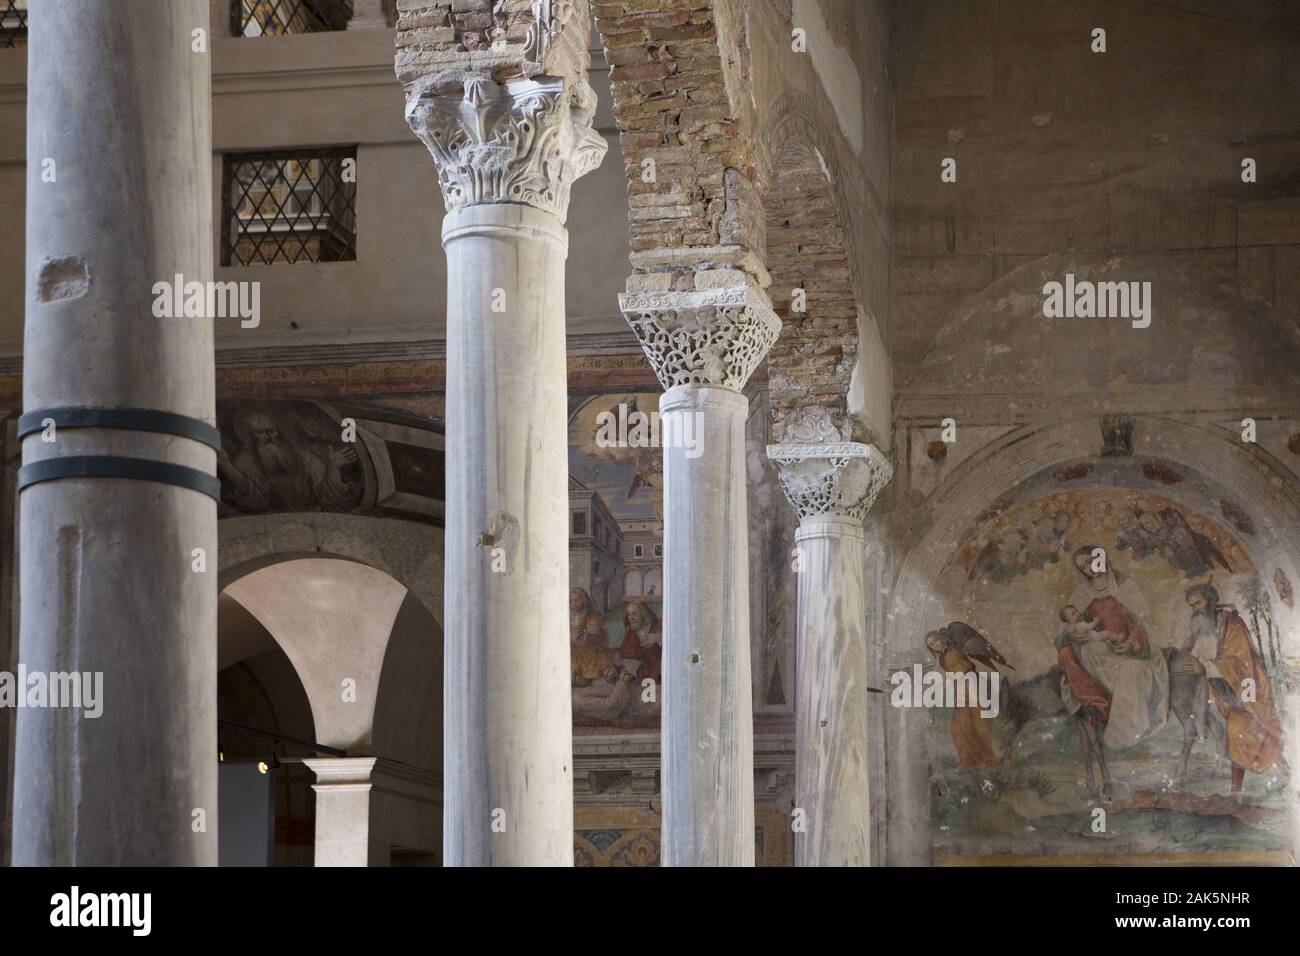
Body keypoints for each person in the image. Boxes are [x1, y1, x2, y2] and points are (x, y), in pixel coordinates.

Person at [1180, 583, 1286, 793]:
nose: (1196, 609)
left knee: (1246, 733)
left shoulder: (1232, 625)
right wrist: (1188, 652)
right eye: (1192, 606)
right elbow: (1197, 660)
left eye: (1198, 603)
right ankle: (1282, 772)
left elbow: (1242, 660)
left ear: (1210, 600)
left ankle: (1237, 792)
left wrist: (1205, 665)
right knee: (1254, 735)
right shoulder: (1201, 629)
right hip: (1223, 691)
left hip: (1246, 688)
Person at [1061, 545, 1169, 748]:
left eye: (1089, 562)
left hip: (1130, 653)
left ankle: (1125, 735)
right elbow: (1069, 628)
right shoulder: (1081, 593)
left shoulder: (1126, 587)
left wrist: (1130, 644)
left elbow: (1139, 624)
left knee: (1132, 670)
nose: (1087, 569)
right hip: (1096, 656)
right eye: (1082, 567)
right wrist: (1079, 635)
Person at [926, 631, 998, 767]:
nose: (935, 645)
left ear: (941, 639)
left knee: (974, 724)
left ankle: (985, 759)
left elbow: (966, 669)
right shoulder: (942, 657)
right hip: (960, 691)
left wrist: (953, 679)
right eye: (931, 645)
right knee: (958, 727)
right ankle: (967, 760)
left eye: (935, 641)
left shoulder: (953, 652)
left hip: (970, 688)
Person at [618, 601, 662, 683]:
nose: (631, 617)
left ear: (643, 614)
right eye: (629, 615)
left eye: (634, 613)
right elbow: (624, 654)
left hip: (661, 675)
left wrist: (658, 637)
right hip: (641, 675)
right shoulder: (631, 633)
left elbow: (675, 641)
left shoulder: (657, 625)